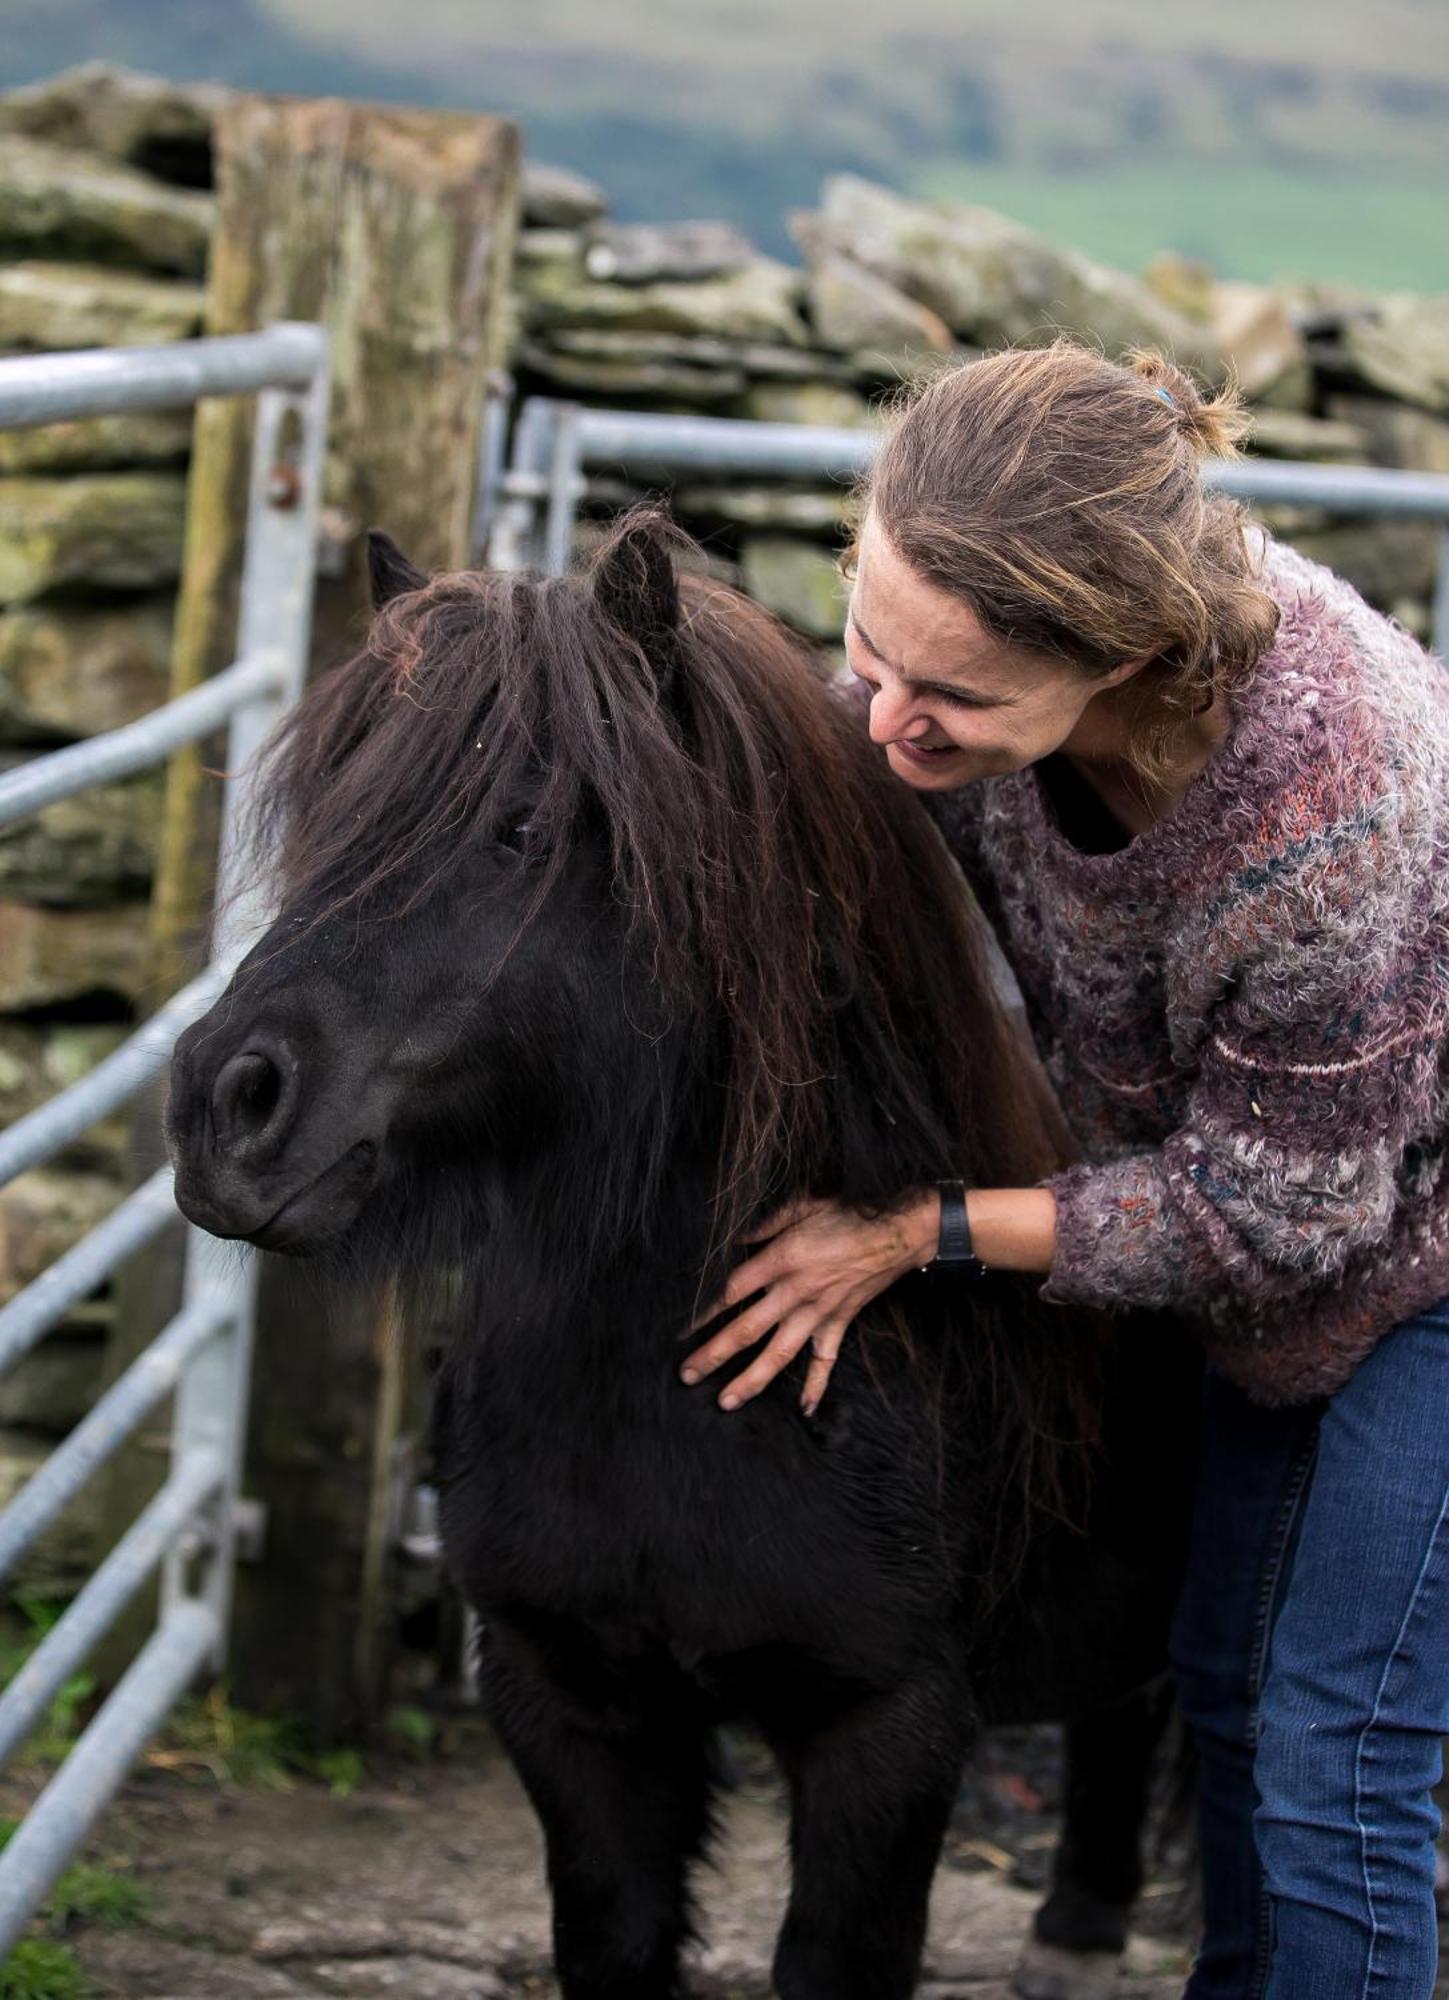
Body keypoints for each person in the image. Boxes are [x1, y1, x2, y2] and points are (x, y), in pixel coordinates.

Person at [680, 337, 1449, 1997]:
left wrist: (913, 1231)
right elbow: (832, 775)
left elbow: (1282, 1217)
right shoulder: (967, 687)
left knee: (1335, 1740)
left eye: (945, 696)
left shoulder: (1330, 798)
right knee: (1227, 1688)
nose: (885, 719)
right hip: (1261, 1232)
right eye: (864, 642)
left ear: (1132, 658)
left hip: (1420, 1257)